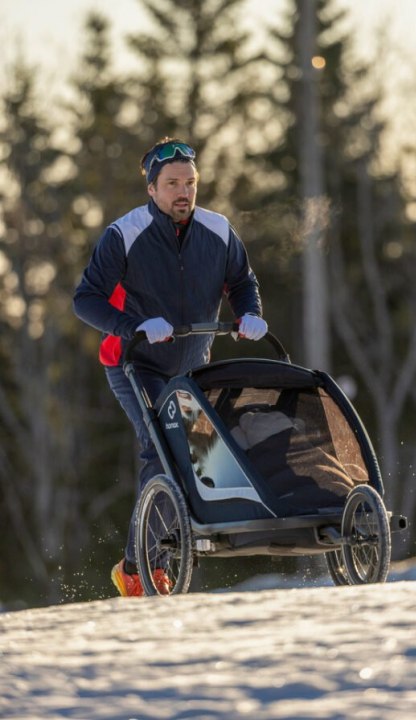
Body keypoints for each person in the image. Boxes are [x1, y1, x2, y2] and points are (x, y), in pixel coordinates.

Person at [73, 137, 268, 597]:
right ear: (152, 189)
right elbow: (86, 299)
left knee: (202, 457)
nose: (184, 192)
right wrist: (136, 326)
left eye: (190, 183)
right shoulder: (125, 234)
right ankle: (141, 571)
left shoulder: (218, 231)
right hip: (134, 363)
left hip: (191, 367)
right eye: (173, 184)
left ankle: (153, 559)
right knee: (162, 449)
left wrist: (250, 313)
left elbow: (242, 282)